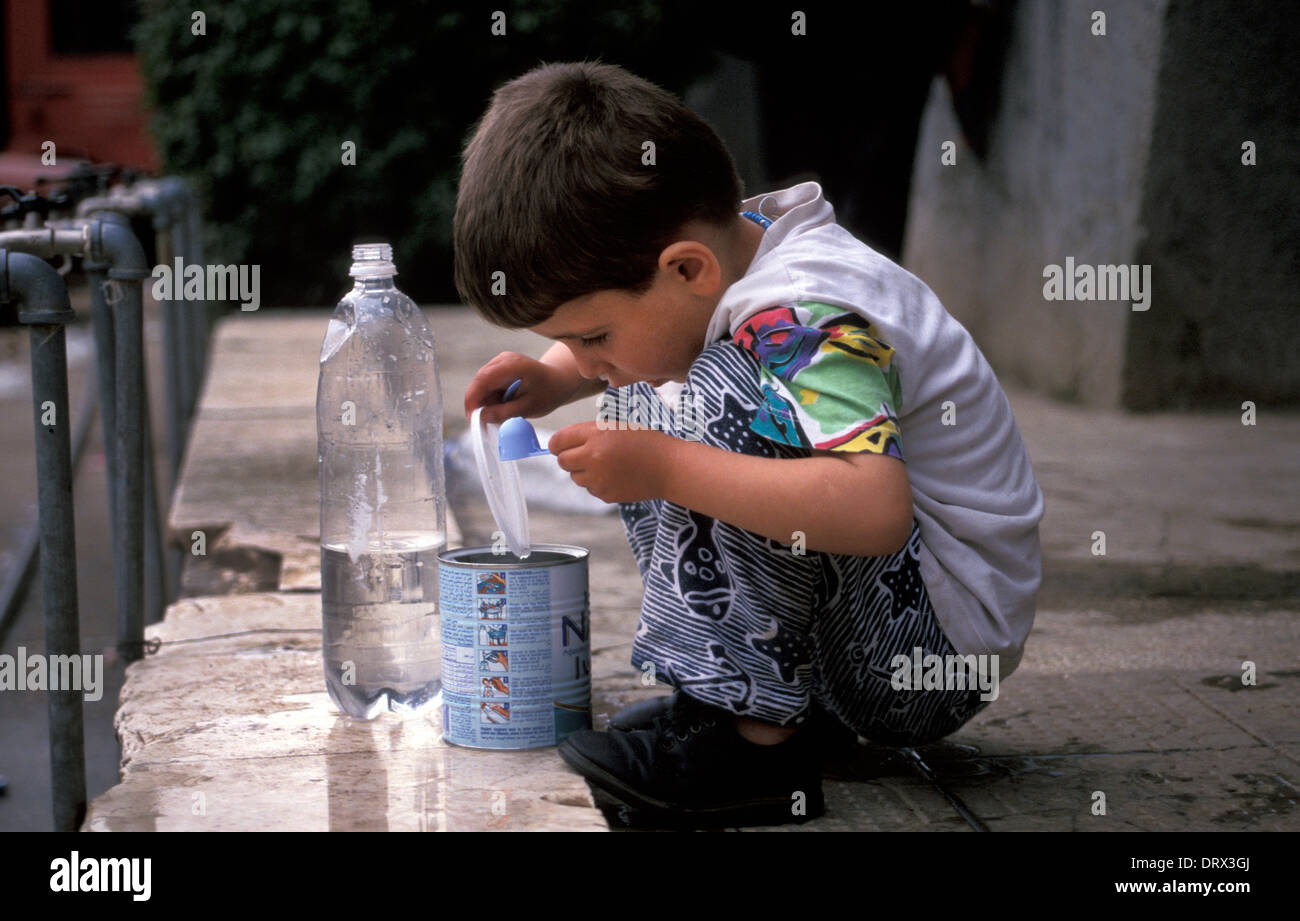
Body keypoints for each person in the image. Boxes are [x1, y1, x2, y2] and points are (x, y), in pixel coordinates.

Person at [455, 61, 1044, 828]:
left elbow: (873, 506)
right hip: (881, 628)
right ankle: (724, 701)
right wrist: (557, 375)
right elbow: (653, 337)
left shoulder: (805, 314)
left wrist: (662, 465)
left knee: (694, 402)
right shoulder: (741, 253)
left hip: (927, 659)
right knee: (648, 385)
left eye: (590, 334)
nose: (586, 357)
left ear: (687, 267)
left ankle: (755, 743)